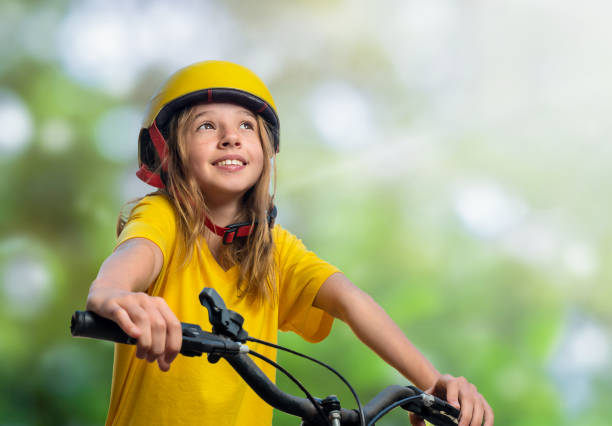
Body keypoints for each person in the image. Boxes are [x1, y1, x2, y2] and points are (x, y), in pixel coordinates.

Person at [86, 60, 494, 426]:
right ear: (167, 152)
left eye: (247, 125)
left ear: (266, 150)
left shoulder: (275, 250)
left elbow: (352, 302)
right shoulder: (165, 217)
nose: (231, 137)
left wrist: (431, 385)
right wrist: (112, 293)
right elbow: (134, 254)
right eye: (206, 125)